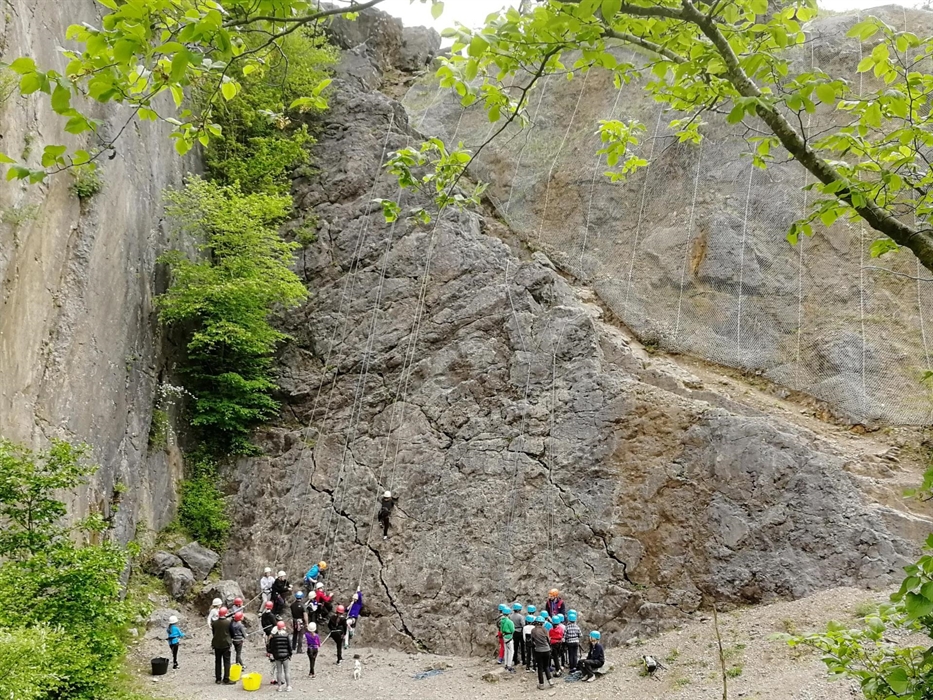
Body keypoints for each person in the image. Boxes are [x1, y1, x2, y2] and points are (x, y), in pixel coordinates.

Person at [211, 607, 235, 685]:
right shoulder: (228, 623)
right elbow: (232, 633)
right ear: (225, 613)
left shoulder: (214, 623)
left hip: (216, 644)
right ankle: (226, 679)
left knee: (217, 661)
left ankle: (218, 679)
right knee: (227, 661)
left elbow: (214, 632)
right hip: (226, 644)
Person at [267, 623, 293, 692]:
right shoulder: (286, 636)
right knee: (286, 671)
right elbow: (290, 647)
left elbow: (270, 648)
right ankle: (288, 686)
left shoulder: (273, 637)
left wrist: (273, 654)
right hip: (285, 656)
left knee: (279, 671)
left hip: (277, 656)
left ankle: (279, 687)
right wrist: (290, 654)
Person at [531, 616, 554, 689]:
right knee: (546, 666)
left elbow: (532, 640)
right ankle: (550, 681)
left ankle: (541, 684)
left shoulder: (533, 630)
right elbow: (548, 640)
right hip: (547, 650)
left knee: (540, 668)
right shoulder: (545, 630)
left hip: (538, 650)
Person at [497, 604, 516, 673]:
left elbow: (501, 630)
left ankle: (506, 664)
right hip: (509, 637)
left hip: (504, 636)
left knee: (506, 651)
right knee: (511, 651)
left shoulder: (502, 621)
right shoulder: (509, 622)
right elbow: (513, 630)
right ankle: (509, 665)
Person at [509, 603, 525, 668]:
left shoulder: (511, 616)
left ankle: (515, 660)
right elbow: (523, 624)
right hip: (520, 631)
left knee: (515, 647)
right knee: (522, 646)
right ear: (519, 609)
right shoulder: (520, 616)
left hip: (514, 632)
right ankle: (524, 660)